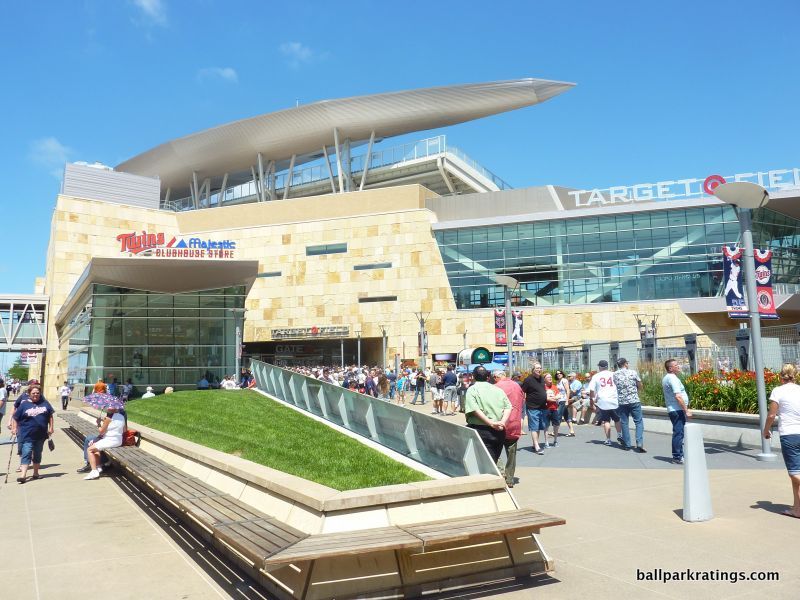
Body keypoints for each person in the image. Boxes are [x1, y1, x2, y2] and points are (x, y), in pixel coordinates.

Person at [763, 363, 800, 519]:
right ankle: (797, 509)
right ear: (795, 375)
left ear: (781, 376)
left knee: (794, 473)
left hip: (789, 435)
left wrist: (766, 430)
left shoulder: (778, 391)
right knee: (796, 474)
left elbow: (772, 415)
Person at [464, 366, 511, 463]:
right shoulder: (498, 390)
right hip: (499, 431)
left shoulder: (472, 390)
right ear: (488, 377)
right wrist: (502, 422)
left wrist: (490, 423)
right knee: (493, 461)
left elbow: (475, 410)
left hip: (480, 430)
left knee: (482, 464)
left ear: (473, 376)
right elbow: (508, 407)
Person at [11, 382, 54, 483]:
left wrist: (51, 427)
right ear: (29, 394)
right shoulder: (24, 405)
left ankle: (36, 473)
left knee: (38, 454)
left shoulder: (45, 403)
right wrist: (14, 428)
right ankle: (23, 475)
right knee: (26, 452)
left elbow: (50, 415)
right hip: (27, 434)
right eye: (34, 393)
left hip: (41, 435)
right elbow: (15, 417)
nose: (36, 395)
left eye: (37, 393)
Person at [494, 370, 524, 488]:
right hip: (515, 423)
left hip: (500, 422)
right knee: (511, 453)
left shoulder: (495, 387)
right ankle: (510, 478)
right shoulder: (517, 386)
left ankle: (501, 472)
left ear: (496, 377)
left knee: (495, 450)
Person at [613, 358, 646, 452]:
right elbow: (640, 385)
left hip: (622, 401)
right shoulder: (633, 372)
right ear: (625, 364)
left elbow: (616, 385)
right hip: (634, 400)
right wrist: (636, 390)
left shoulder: (615, 374)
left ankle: (627, 444)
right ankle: (639, 442)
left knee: (624, 422)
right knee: (638, 422)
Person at [662, 358, 691, 464]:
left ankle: (678, 455)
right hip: (677, 409)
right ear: (670, 368)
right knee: (678, 433)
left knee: (678, 432)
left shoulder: (667, 378)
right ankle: (677, 456)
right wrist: (686, 410)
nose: (679, 366)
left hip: (674, 409)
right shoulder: (672, 379)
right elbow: (678, 396)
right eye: (676, 365)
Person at [84, 407, 126, 480]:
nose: (107, 408)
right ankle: (98, 467)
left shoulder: (108, 418)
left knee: (89, 449)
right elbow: (125, 430)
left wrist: (99, 424)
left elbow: (101, 431)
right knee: (95, 448)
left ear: (113, 409)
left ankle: (94, 471)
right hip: (118, 440)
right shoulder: (121, 416)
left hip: (110, 440)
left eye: (109, 407)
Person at [588, 360, 622, 446]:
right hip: (614, 399)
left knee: (606, 421)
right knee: (617, 419)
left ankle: (608, 439)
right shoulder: (613, 374)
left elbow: (591, 390)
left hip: (603, 401)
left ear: (599, 367)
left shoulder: (596, 376)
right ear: (607, 366)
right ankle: (619, 435)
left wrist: (592, 399)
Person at [521, 363, 548, 455]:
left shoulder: (541, 379)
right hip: (533, 407)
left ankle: (534, 443)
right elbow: (522, 391)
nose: (539, 370)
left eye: (540, 368)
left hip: (542, 407)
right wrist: (523, 401)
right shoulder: (528, 380)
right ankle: (537, 446)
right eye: (537, 368)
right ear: (533, 370)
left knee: (539, 427)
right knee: (534, 427)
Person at [555, 370, 576, 437]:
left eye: (560, 373)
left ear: (562, 374)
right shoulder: (558, 381)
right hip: (559, 400)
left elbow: (568, 390)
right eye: (557, 373)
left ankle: (555, 431)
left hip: (563, 400)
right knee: (566, 415)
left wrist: (567, 400)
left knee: (559, 415)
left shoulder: (564, 380)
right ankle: (572, 431)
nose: (558, 374)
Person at [543, 373, 561, 445]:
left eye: (550, 377)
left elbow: (559, 396)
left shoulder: (554, 387)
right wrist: (554, 398)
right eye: (548, 377)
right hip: (546, 409)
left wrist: (551, 398)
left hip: (554, 408)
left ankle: (555, 440)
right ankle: (546, 442)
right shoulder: (543, 387)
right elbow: (544, 398)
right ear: (544, 379)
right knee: (546, 426)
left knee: (556, 425)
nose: (550, 378)